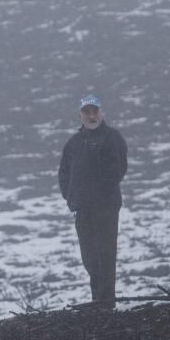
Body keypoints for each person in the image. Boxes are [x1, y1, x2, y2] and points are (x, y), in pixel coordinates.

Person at [58, 95, 128, 307]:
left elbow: (118, 169)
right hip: (82, 208)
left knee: (105, 253)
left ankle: (106, 303)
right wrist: (71, 196)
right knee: (89, 255)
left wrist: (101, 192)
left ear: (100, 112)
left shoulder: (111, 137)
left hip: (106, 207)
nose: (91, 115)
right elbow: (64, 173)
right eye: (86, 112)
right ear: (80, 115)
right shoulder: (74, 143)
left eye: (94, 111)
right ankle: (97, 297)